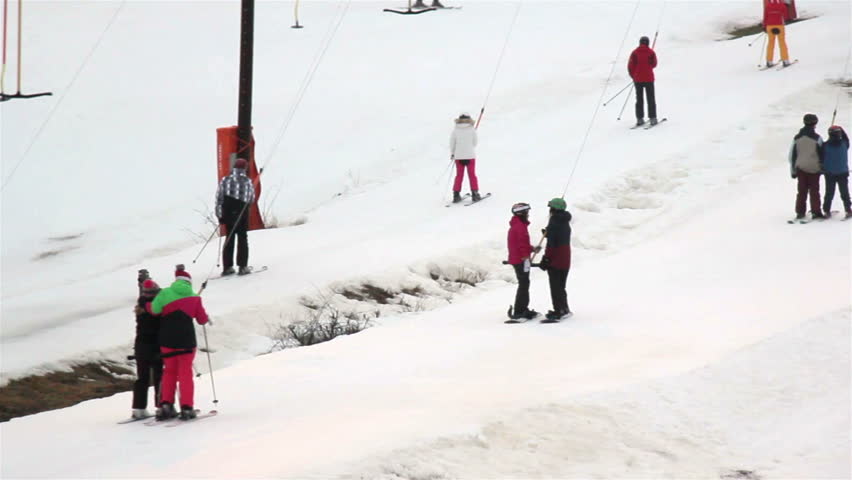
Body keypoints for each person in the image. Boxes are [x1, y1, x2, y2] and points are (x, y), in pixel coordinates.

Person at [146, 265, 210, 420]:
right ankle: (187, 407)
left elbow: (154, 310)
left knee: (169, 371)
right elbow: (202, 319)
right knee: (185, 374)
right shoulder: (195, 297)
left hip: (167, 340)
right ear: (189, 282)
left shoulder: (165, 293)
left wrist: (147, 305)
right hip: (187, 341)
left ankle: (166, 405)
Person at [216, 157, 256, 276]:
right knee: (242, 238)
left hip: (228, 214)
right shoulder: (248, 182)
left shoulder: (224, 180)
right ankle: (242, 267)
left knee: (229, 238)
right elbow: (251, 199)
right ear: (244, 168)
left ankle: (227, 267)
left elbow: (219, 199)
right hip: (242, 214)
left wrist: (220, 215)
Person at [130, 277, 163, 419]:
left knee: (142, 378)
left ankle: (138, 408)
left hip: (141, 347)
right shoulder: (156, 308)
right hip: (155, 346)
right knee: (158, 377)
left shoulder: (140, 306)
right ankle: (161, 405)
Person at [539, 198, 572, 321]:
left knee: (555, 286)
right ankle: (564, 308)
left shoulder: (553, 222)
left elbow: (551, 246)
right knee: (561, 286)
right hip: (565, 258)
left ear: (553, 209)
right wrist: (549, 234)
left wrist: (545, 260)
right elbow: (559, 236)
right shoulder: (565, 220)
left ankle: (559, 311)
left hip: (556, 259)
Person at [507, 203, 540, 320]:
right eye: (527, 212)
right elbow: (521, 244)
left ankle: (522, 308)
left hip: (520, 259)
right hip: (520, 260)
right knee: (524, 284)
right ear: (521, 213)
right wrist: (525, 256)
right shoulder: (519, 226)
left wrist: (532, 249)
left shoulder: (518, 225)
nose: (528, 215)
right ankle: (519, 311)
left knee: (524, 283)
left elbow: (523, 244)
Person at [789, 113, 824, 220]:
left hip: (800, 168)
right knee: (814, 191)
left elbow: (792, 155)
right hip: (814, 168)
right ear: (815, 124)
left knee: (801, 191)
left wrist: (793, 171)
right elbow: (822, 154)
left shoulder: (797, 138)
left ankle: (800, 212)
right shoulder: (817, 138)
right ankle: (816, 212)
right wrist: (823, 168)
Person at [449, 113, 482, 203]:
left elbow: (452, 143)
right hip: (470, 156)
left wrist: (452, 153)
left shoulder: (455, 130)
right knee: (472, 175)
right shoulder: (472, 130)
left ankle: (456, 195)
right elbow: (475, 143)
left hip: (458, 156)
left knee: (459, 175)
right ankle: (475, 194)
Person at [628, 36, 658, 127]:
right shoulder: (651, 52)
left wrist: (634, 76)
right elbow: (654, 64)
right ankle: (653, 118)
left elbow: (630, 66)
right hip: (649, 79)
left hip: (638, 80)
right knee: (650, 98)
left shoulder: (634, 53)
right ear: (648, 43)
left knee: (639, 99)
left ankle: (640, 119)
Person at [822, 125, 851, 218]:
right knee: (844, 192)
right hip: (842, 173)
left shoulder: (825, 146)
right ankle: (848, 209)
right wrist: (840, 128)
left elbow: (821, 155)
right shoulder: (844, 144)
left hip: (829, 173)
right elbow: (846, 137)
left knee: (829, 193)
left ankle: (826, 210)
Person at [763, 0, 792, 68]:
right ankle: (785, 60)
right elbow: (786, 16)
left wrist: (764, 26)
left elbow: (765, 16)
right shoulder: (782, 4)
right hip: (779, 25)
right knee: (782, 43)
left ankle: (769, 61)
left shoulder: (768, 5)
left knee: (770, 43)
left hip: (769, 26)